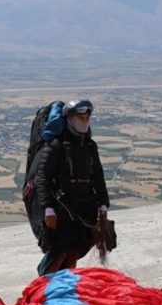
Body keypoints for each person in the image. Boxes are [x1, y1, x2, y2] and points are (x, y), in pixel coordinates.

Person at [34, 99, 110, 274]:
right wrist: (48, 209)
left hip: (85, 208)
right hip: (62, 210)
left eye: (86, 118)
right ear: (69, 119)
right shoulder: (55, 146)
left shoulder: (90, 146)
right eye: (79, 118)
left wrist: (103, 204)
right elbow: (42, 178)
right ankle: (46, 285)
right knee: (59, 252)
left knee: (74, 251)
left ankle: (65, 290)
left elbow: (98, 176)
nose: (83, 122)